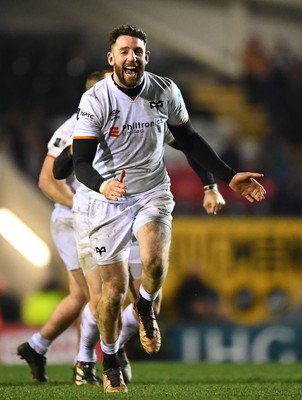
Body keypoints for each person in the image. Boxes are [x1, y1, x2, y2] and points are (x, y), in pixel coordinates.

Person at [72, 24, 266, 393]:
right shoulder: (96, 100)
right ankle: (110, 357)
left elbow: (189, 140)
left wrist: (225, 177)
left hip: (152, 192)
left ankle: (144, 307)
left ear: (147, 56)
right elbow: (80, 162)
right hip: (107, 201)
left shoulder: (165, 91)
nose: (132, 57)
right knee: (111, 294)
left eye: (138, 51)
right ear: (111, 58)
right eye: (125, 51)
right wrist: (103, 184)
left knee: (155, 261)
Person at [53, 118, 227, 385]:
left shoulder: (144, 116)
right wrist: (77, 152)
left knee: (150, 300)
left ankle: (117, 343)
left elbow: (188, 143)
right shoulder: (88, 119)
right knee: (104, 296)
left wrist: (209, 183)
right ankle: (86, 359)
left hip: (140, 208)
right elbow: (57, 170)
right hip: (96, 214)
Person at [17, 69, 112, 385]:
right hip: (72, 220)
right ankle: (87, 365)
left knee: (80, 298)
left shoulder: (115, 125)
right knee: (98, 295)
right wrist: (80, 206)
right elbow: (47, 181)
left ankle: (36, 346)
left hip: (96, 218)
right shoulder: (72, 129)